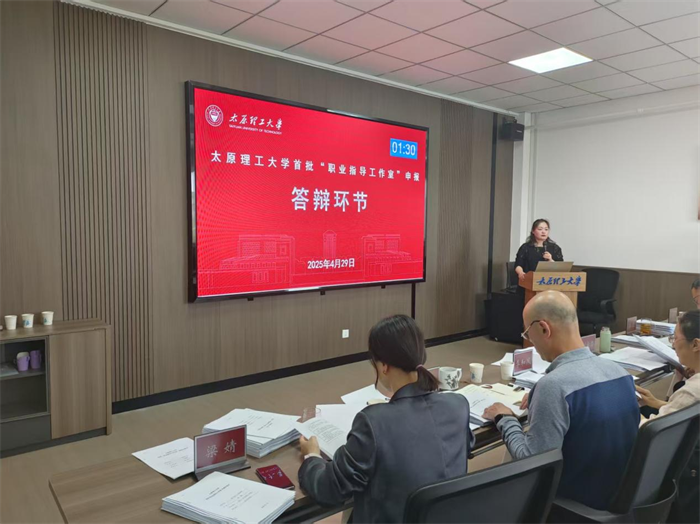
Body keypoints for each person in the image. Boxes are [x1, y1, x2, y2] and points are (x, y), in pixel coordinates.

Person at [298, 315, 473, 524]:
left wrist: (311, 456)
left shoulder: (373, 422)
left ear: (383, 366)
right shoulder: (458, 405)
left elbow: (329, 489)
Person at [482, 291, 639, 511]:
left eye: (527, 332)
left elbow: (531, 461)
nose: (529, 340)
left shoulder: (554, 386)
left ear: (544, 329)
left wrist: (505, 418)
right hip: (617, 499)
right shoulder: (619, 372)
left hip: (570, 507)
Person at [635, 310, 700, 524]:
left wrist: (624, 411)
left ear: (696, 344)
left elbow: (650, 431)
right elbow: (686, 414)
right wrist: (658, 403)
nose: (673, 345)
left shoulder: (692, 391)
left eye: (676, 339)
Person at [514, 219, 564, 285]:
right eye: (540, 229)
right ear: (533, 231)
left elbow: (561, 268)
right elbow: (518, 265)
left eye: (546, 229)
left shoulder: (555, 248)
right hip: (529, 282)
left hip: (550, 283)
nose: (543, 232)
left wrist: (551, 260)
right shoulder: (526, 247)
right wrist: (520, 273)